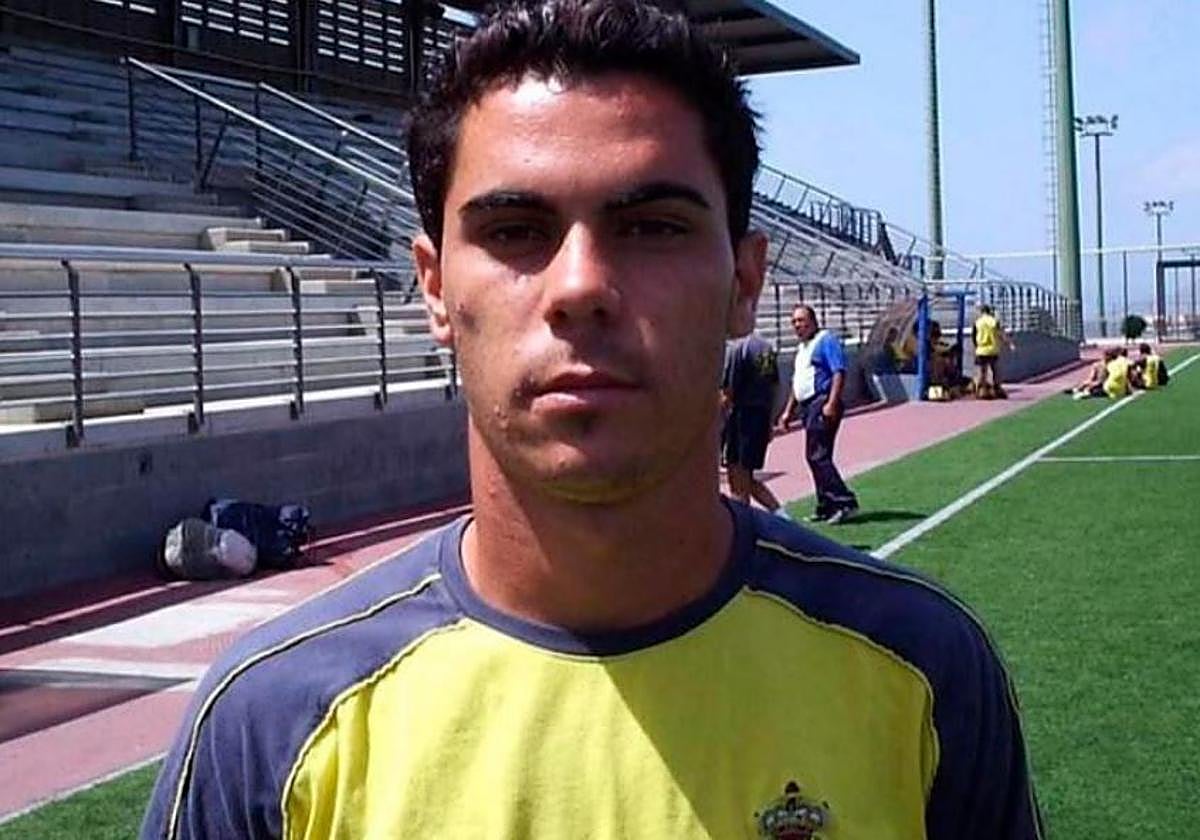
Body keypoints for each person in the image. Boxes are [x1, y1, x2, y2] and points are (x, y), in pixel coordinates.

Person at [142, 2, 1042, 837]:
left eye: (652, 227)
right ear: (435, 288)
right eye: (514, 231)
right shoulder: (269, 726)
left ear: (744, 281)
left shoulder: (924, 673)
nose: (580, 287)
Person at [775, 306, 860, 524]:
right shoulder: (802, 348)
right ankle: (826, 505)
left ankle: (844, 502)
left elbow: (838, 372)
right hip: (807, 406)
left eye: (801, 320)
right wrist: (788, 411)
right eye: (794, 322)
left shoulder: (825, 340)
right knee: (816, 456)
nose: (797, 325)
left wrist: (831, 402)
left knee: (818, 456)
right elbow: (797, 383)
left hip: (821, 402)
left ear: (813, 321)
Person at [720, 331, 788, 517]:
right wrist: (769, 420)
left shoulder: (736, 348)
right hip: (759, 417)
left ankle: (743, 524)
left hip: (741, 418)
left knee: (738, 478)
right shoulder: (764, 346)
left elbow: (728, 393)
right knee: (744, 476)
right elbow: (774, 386)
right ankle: (781, 516)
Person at [972, 304, 1016, 399]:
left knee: (982, 372)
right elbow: (1001, 334)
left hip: (981, 349)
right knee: (995, 370)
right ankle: (997, 388)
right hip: (993, 349)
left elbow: (974, 336)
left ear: (981, 312)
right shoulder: (994, 321)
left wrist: (976, 347)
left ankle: (980, 390)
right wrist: (1009, 344)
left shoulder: (977, 322)